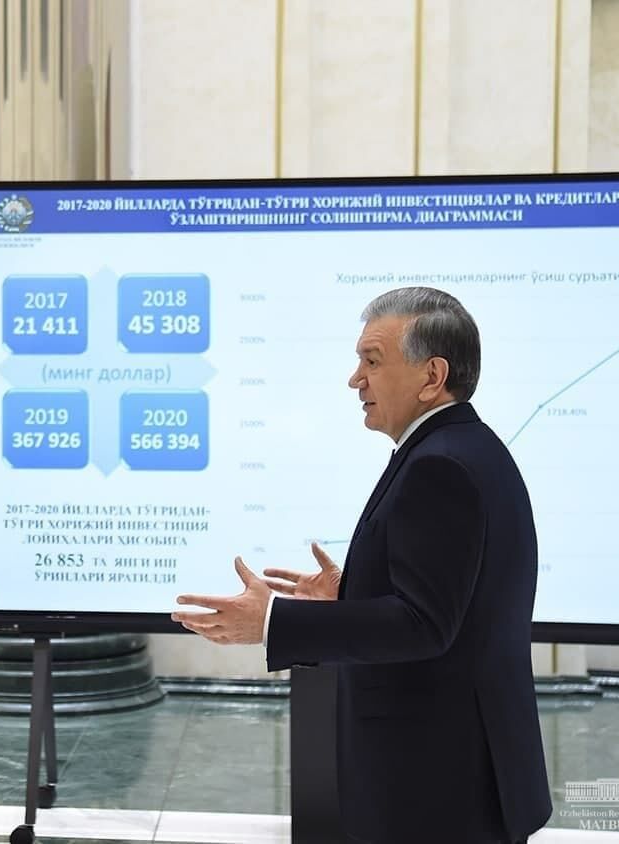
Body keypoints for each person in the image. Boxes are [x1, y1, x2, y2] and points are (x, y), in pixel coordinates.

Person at [173, 287, 552, 843]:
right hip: (457, 770)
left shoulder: (441, 466)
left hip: (438, 785)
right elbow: (454, 600)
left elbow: (424, 624)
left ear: (432, 376)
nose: (356, 379)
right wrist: (350, 595)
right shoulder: (463, 448)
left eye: (372, 361)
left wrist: (273, 620)